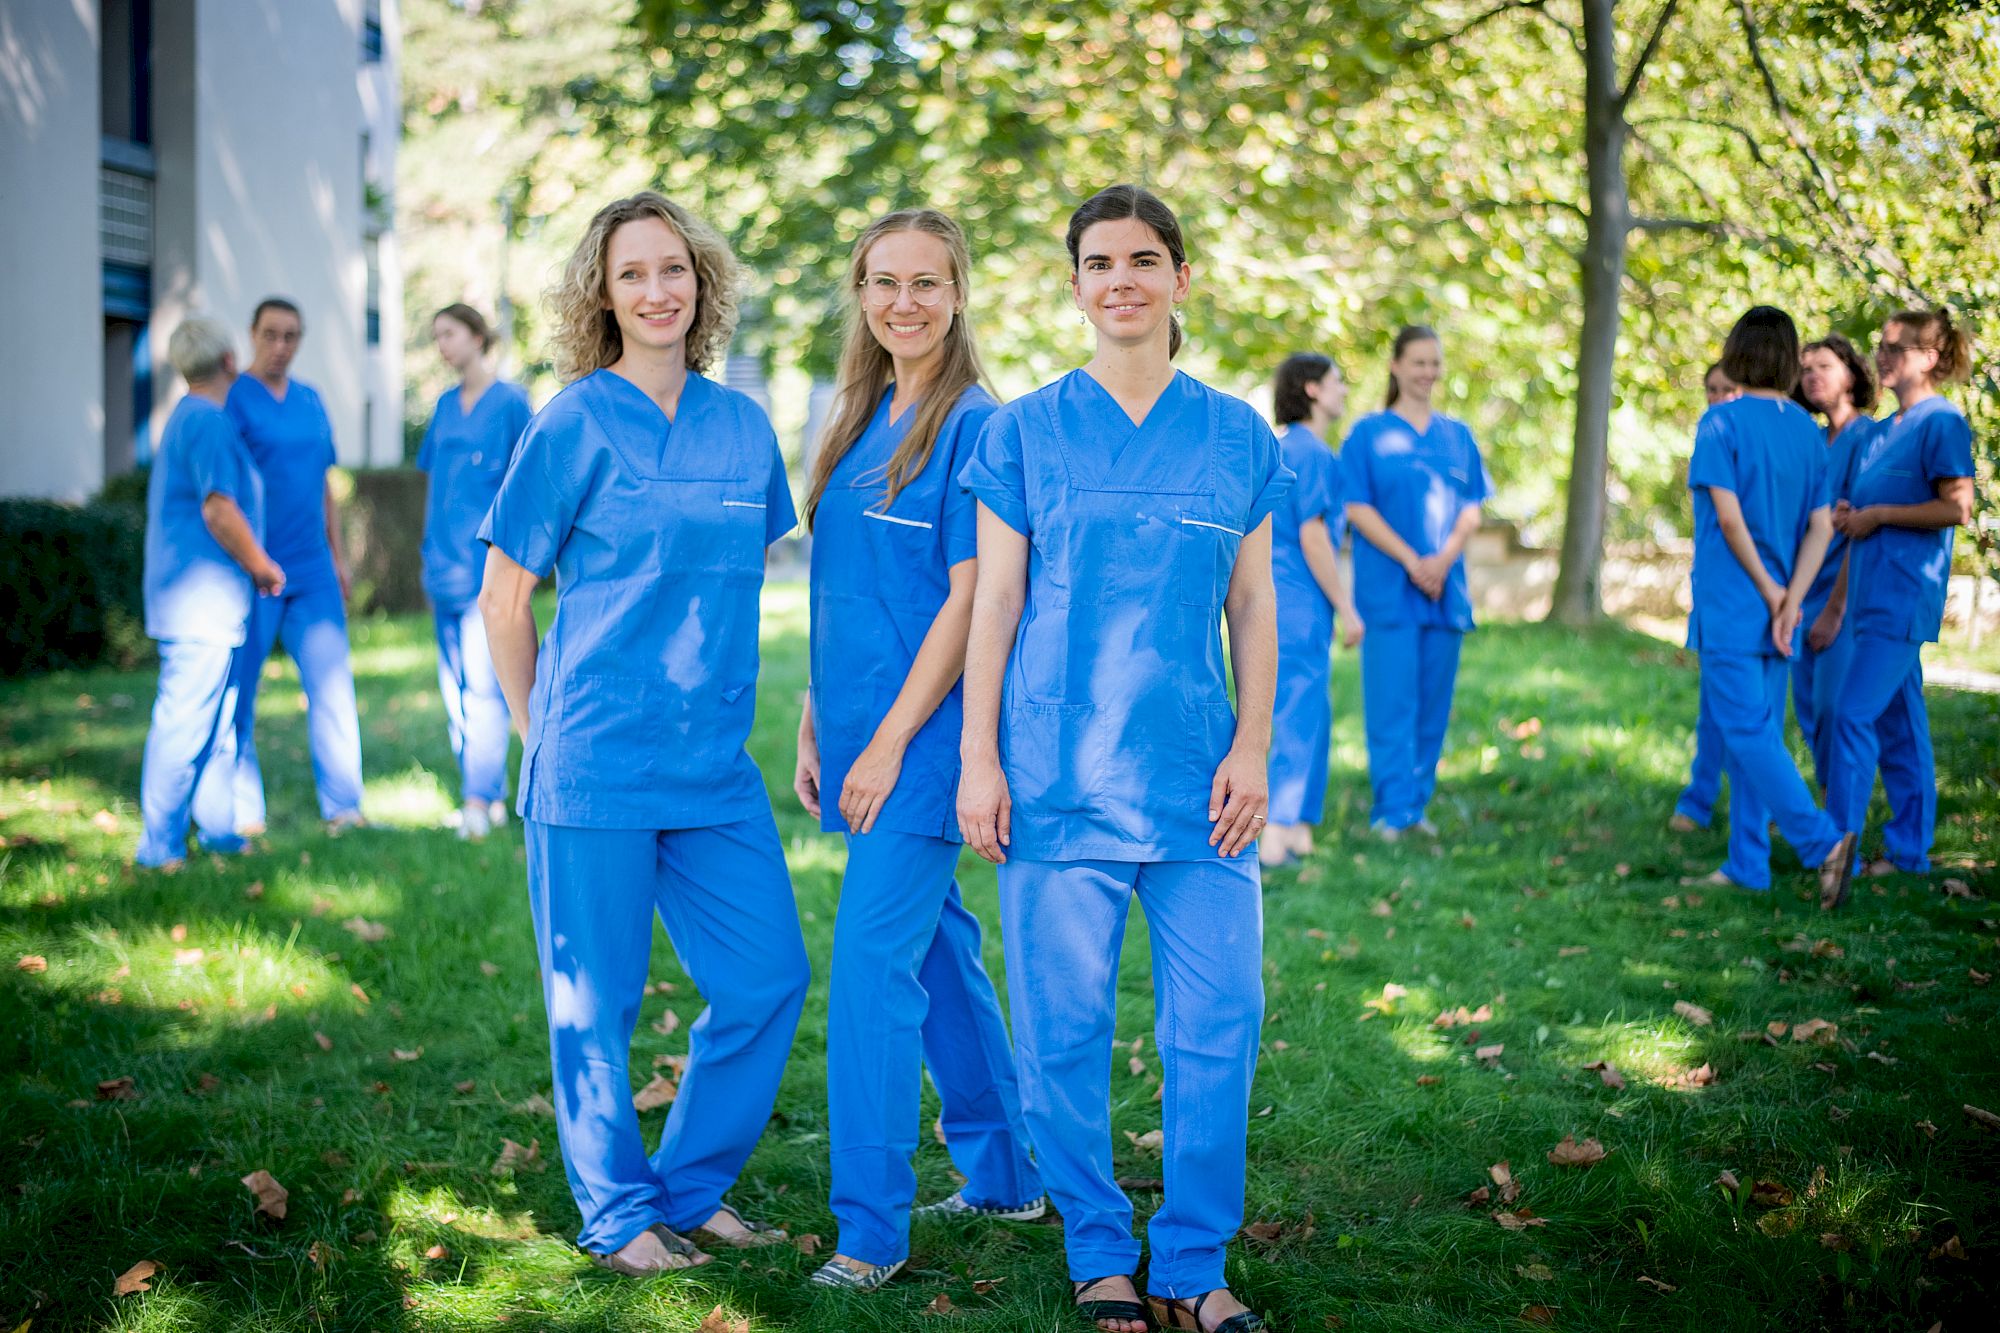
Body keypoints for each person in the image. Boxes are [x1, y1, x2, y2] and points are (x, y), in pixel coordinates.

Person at [958, 184, 1287, 1333]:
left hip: (1201, 782)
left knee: (1220, 1018)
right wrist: (977, 759)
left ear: (1180, 279)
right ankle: (1099, 1248)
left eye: (1144, 259)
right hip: (1053, 771)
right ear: (1074, 286)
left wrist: (1253, 746)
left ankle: (1194, 1260)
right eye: (1099, 263)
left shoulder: (1239, 435)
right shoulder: (1022, 433)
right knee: (1062, 1027)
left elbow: (1252, 607)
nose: (1122, 280)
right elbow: (992, 605)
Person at [477, 192, 808, 1275]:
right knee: (596, 1004)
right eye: (633, 274)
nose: (658, 290)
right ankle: (619, 1212)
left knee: (766, 978)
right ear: (603, 294)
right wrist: (538, 737)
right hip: (594, 761)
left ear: (701, 283)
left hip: (711, 765)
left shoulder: (742, 427)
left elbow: (746, 580)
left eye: (674, 269)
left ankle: (691, 1186)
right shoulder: (570, 421)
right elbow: (503, 597)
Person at [793, 209, 1044, 1292]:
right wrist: (816, 713)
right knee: (938, 947)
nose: (904, 302)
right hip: (856, 731)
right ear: (859, 293)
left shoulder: (975, 425)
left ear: (958, 293)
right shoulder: (855, 417)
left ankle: (869, 1232)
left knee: (869, 974)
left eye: (926, 284)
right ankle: (1005, 1173)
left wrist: (891, 741)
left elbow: (969, 599)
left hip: (929, 742)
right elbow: (840, 588)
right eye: (884, 282)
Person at [1682, 305, 1857, 903]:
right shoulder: (1805, 433)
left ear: (1735, 353)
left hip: (1737, 604)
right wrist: (1791, 599)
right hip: (1781, 609)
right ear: (1787, 359)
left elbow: (1729, 521)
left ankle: (1822, 842)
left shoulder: (1720, 424)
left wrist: (1770, 592)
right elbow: (1819, 527)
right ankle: (1748, 863)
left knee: (1744, 730)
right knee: (1757, 734)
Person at [1826, 309, 1977, 886]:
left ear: (1929, 357)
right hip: (1870, 597)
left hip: (1903, 596)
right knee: (1900, 728)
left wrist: (1879, 516)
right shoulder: (1885, 429)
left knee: (1852, 714)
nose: (1883, 356)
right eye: (1880, 347)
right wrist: (1852, 517)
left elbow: (1956, 507)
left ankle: (1836, 852)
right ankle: (1909, 851)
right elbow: (1867, 510)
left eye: (1896, 347)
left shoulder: (1941, 423)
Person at [203, 298, 365, 834]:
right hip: (254, 572)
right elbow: (219, 491)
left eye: (291, 336)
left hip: (313, 571)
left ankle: (344, 807)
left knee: (333, 688)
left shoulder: (311, 401)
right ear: (252, 334)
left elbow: (324, 486)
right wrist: (247, 561)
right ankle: (245, 812)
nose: (280, 346)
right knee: (239, 693)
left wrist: (338, 559)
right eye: (271, 334)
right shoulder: (235, 400)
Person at [136, 317, 285, 868]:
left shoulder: (193, 416)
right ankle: (158, 848)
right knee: (186, 720)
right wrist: (263, 565)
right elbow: (219, 509)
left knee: (219, 719)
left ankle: (218, 830)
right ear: (229, 361)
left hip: (208, 604)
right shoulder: (207, 421)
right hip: (198, 605)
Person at [1340, 326, 1488, 842]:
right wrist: (1413, 561)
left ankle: (1416, 806)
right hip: (1390, 592)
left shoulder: (1457, 436)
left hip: (1444, 591)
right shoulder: (1368, 435)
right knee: (1391, 705)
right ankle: (1390, 810)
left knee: (1431, 709)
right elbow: (1356, 508)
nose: (1427, 372)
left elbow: (1472, 507)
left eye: (1434, 363)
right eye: (1418, 362)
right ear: (1396, 367)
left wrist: (1442, 560)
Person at [418, 303, 532, 840]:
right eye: (436, 335)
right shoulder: (443, 407)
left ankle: (478, 798)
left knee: (484, 688)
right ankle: (484, 792)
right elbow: (435, 487)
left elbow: (530, 488)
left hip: (486, 573)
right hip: (440, 568)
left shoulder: (510, 404)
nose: (442, 344)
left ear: (477, 337)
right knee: (454, 689)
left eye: (450, 333)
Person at [1261, 352, 1362, 868]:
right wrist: (1348, 607)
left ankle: (1298, 830)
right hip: (1299, 604)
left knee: (1309, 712)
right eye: (1337, 381)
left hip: (1280, 604)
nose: (1344, 390)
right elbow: (1314, 535)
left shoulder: (1282, 450)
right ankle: (1274, 839)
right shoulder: (1315, 455)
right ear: (1313, 390)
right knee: (1298, 716)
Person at [1791, 333, 1879, 785]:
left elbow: (1861, 531)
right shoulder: (1812, 439)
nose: (1811, 376)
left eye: (1823, 366)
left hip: (1843, 600)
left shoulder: (1869, 437)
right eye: (1805, 369)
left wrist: (1835, 610)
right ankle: (1832, 813)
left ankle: (1842, 825)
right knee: (1807, 709)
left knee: (1832, 708)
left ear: (1851, 374)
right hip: (1802, 594)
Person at [1669, 361, 1741, 832]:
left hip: (1744, 592)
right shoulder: (1708, 433)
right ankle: (1701, 797)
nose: (1717, 398)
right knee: (1714, 705)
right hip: (1711, 588)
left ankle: (1750, 805)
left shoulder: (1747, 438)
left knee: (1743, 709)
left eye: (1727, 389)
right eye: (1710, 389)